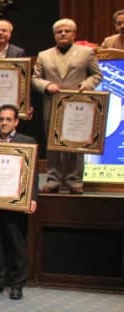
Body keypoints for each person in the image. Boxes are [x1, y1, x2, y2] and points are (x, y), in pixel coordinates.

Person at [32, 18, 103, 194]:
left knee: (76, 143)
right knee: (52, 142)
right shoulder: (44, 55)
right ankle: (53, 179)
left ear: (74, 34)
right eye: (59, 32)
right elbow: (35, 78)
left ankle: (74, 180)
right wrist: (47, 85)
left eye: (67, 31)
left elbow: (97, 75)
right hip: (52, 103)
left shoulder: (86, 53)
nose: (63, 34)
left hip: (77, 104)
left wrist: (87, 84)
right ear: (54, 35)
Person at [0, 104, 37, 300]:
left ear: (16, 122)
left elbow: (33, 174)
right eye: (1, 119)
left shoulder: (27, 142)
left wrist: (32, 198)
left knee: (17, 245)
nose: (4, 123)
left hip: (16, 202)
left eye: (8, 119)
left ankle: (17, 285)